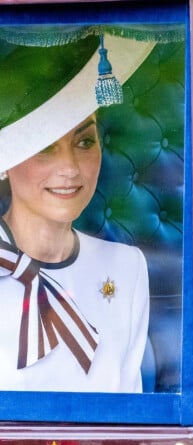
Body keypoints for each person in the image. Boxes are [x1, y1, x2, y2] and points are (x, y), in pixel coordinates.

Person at [0, 33, 155, 392]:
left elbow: (130, 416)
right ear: (6, 161)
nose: (70, 167)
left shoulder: (126, 269)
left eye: (84, 142)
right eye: (45, 148)